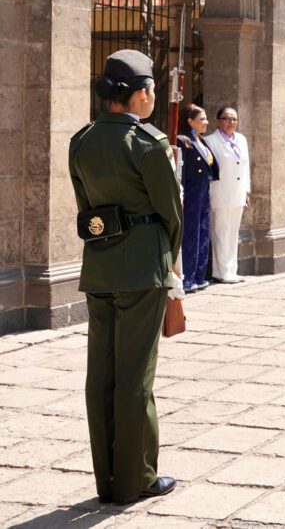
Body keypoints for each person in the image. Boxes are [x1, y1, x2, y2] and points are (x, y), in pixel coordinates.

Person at [69, 49, 181, 504]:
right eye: (151, 88)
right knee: (136, 378)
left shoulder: (82, 139)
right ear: (138, 94)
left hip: (99, 268)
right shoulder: (148, 143)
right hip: (142, 270)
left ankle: (106, 479)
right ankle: (137, 478)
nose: (153, 96)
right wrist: (168, 263)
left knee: (102, 376)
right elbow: (172, 214)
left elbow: (86, 210)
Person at [204, 106, 250, 283]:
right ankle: (221, 271)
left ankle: (232, 270)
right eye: (227, 118)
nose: (231, 122)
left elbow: (245, 167)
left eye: (234, 119)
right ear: (219, 120)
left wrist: (246, 190)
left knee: (233, 233)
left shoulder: (241, 139)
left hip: (237, 193)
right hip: (221, 193)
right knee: (221, 233)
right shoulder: (210, 141)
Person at [177, 104, 218, 293]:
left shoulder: (200, 140)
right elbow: (181, 171)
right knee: (191, 235)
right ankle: (188, 279)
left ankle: (200, 276)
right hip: (191, 192)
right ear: (190, 121)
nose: (206, 122)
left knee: (203, 231)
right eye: (202, 119)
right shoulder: (182, 141)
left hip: (204, 191)